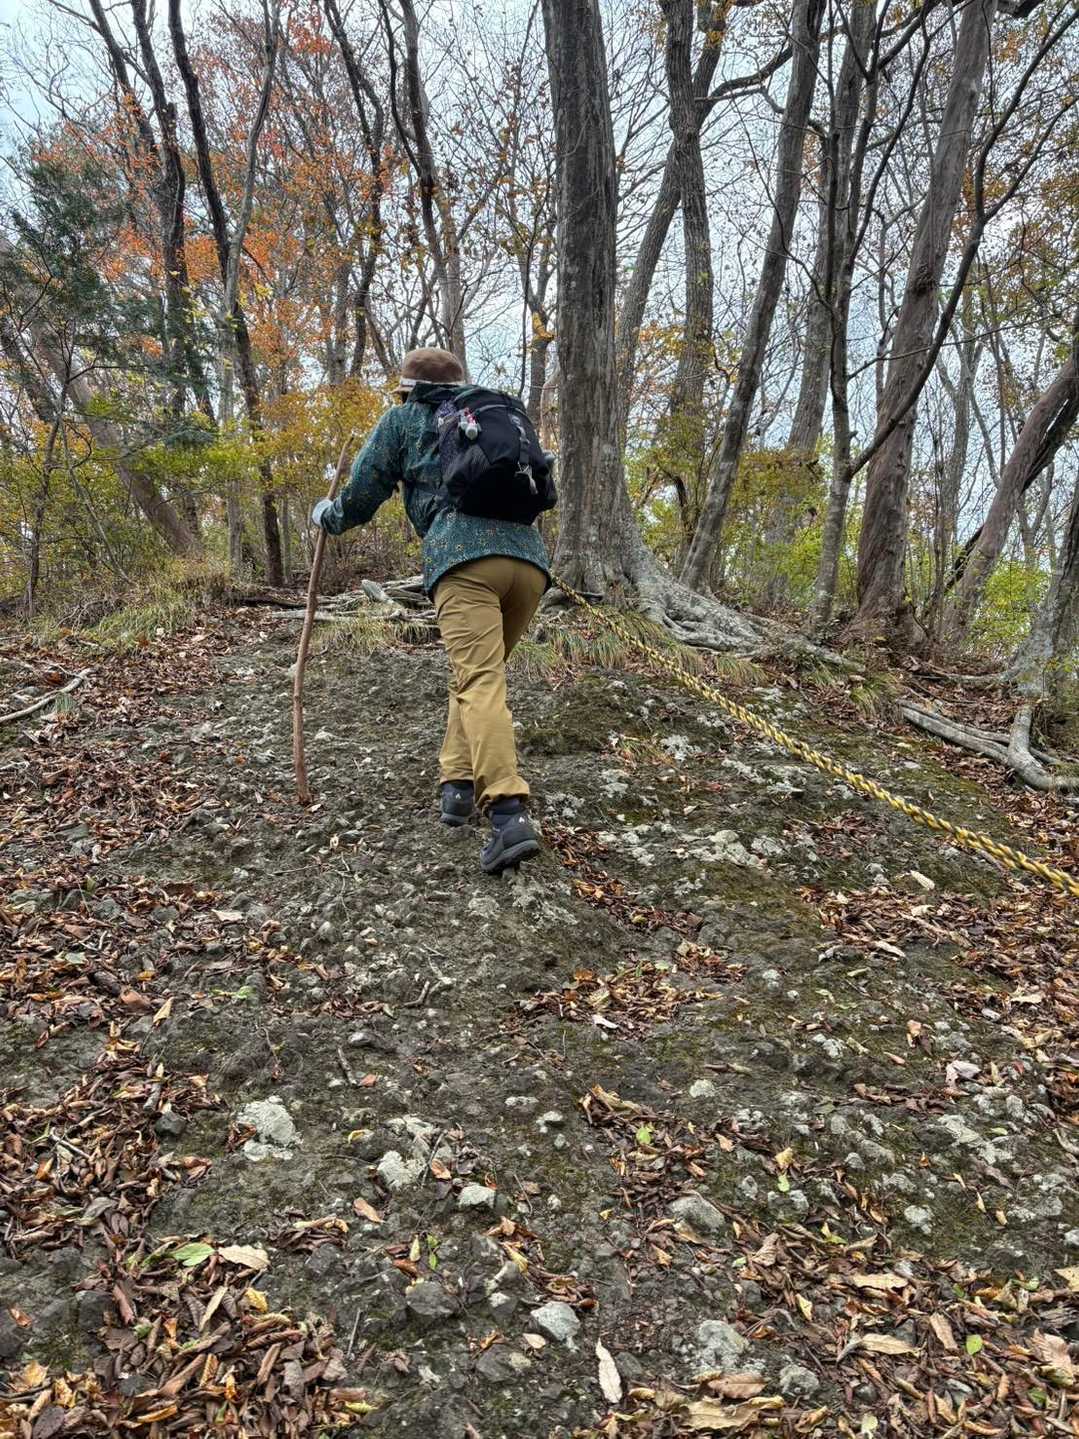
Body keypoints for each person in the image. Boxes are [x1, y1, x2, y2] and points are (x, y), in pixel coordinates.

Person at [311, 346, 550, 875]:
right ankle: (457, 786)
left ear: (408, 389)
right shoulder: (490, 415)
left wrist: (328, 516)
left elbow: (363, 493)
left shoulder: (403, 419)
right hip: (530, 564)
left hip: (464, 560)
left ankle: (508, 815)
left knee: (479, 680)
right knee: (476, 677)